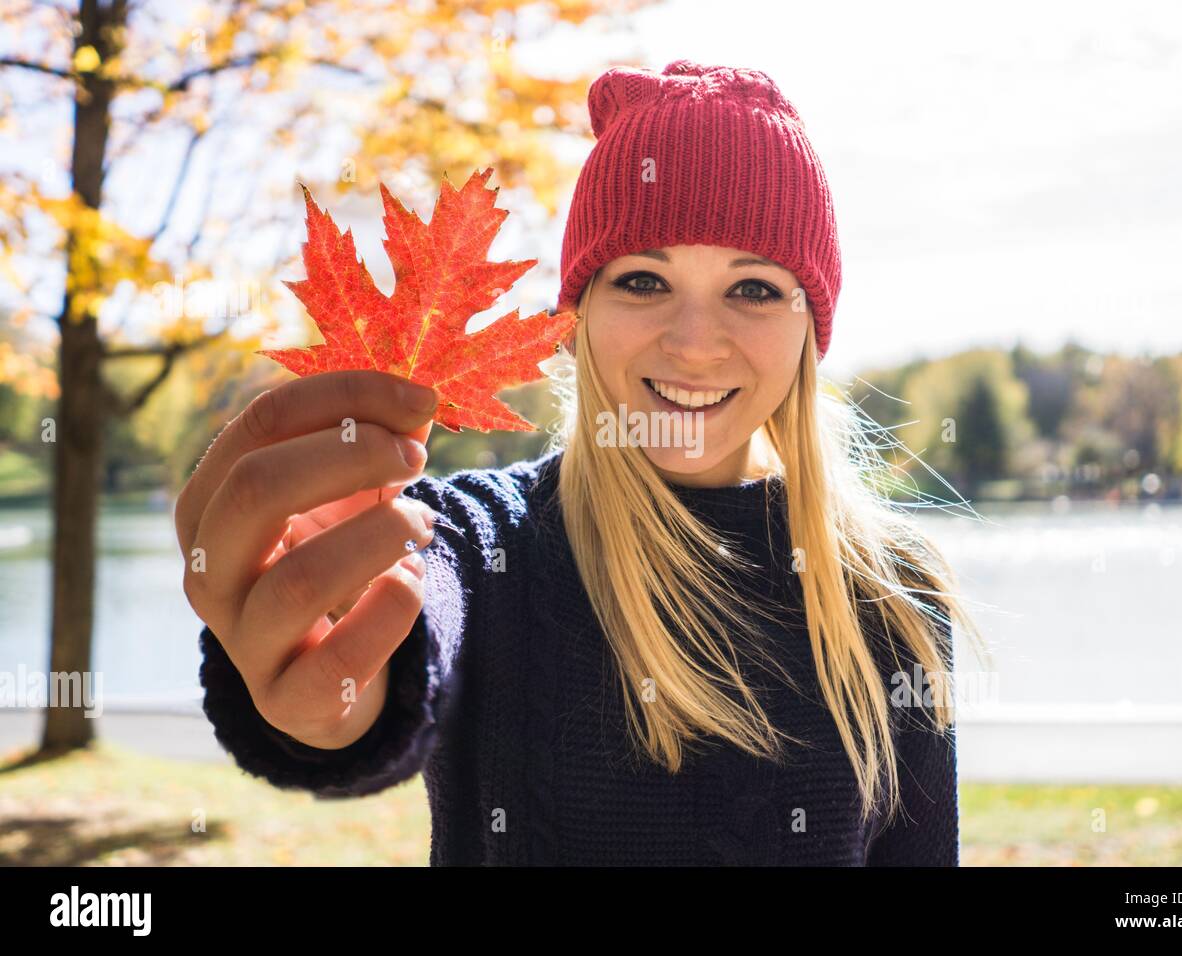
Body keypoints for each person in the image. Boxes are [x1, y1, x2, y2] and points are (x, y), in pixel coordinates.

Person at [177, 59, 984, 866]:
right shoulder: (488, 547)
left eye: (755, 289)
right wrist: (330, 685)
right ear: (580, 315)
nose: (695, 342)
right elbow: (412, 625)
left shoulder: (892, 597)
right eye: (643, 279)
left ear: (811, 326)